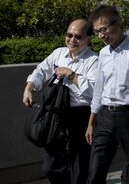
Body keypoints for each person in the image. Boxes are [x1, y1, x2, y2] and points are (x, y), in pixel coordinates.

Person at [23, 19, 98, 184]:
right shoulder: (58, 53)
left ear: (88, 39)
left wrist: (71, 75)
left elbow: (95, 91)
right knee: (51, 167)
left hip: (81, 116)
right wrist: (29, 88)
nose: (72, 40)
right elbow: (41, 70)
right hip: (56, 115)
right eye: (69, 35)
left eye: (78, 37)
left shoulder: (94, 61)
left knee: (79, 168)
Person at [86, 5, 129, 184]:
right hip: (105, 117)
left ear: (119, 24)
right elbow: (99, 89)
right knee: (94, 172)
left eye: (104, 29)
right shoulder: (103, 53)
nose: (101, 35)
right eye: (97, 32)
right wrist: (91, 122)